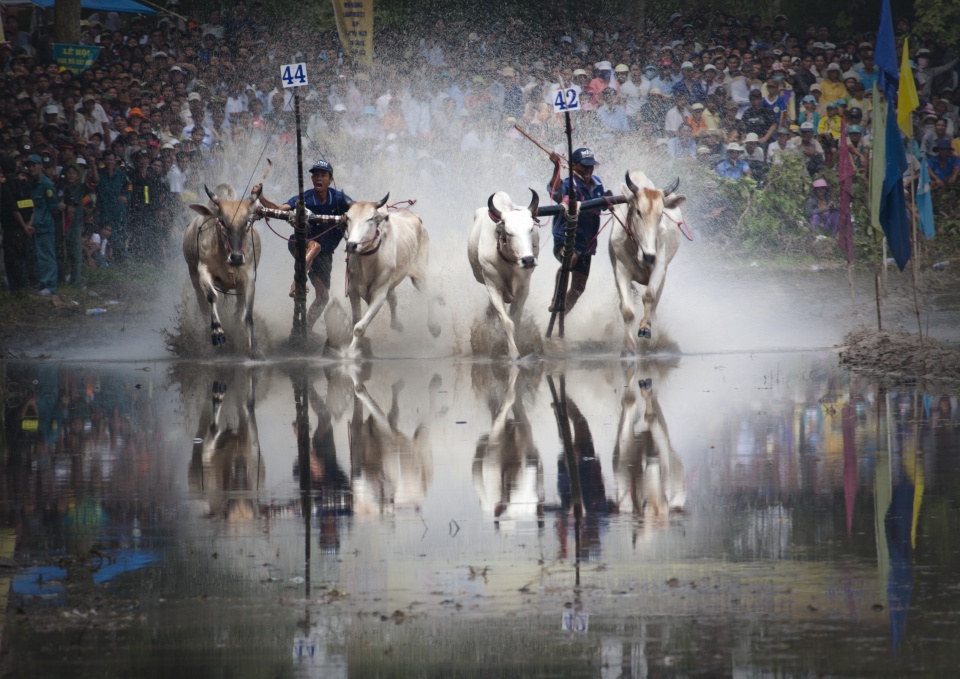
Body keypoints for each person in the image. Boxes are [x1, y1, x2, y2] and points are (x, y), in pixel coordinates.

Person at [257, 159, 353, 331]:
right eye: (315, 175)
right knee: (314, 246)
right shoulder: (304, 198)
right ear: (311, 179)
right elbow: (278, 209)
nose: (318, 178)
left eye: (323, 175)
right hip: (300, 243)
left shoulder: (339, 199)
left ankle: (305, 329)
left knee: (323, 296)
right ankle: (296, 281)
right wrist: (261, 197)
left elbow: (358, 208)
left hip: (324, 254)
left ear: (330, 179)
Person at [547, 147, 606, 314]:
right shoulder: (569, 184)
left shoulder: (598, 183)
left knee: (579, 287)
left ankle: (562, 315)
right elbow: (556, 192)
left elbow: (603, 200)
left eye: (591, 166)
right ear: (573, 166)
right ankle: (556, 298)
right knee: (570, 259)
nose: (588, 170)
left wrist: (607, 200)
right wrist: (557, 167)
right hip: (566, 237)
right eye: (584, 166)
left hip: (587, 243)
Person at [23, 155, 61, 295]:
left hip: (44, 226)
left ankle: (50, 286)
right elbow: (30, 204)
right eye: (29, 165)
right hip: (34, 227)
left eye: (34, 165)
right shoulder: (32, 183)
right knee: (38, 257)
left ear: (40, 166)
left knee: (46, 256)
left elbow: (54, 207)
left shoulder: (46, 184)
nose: (31, 168)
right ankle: (42, 283)